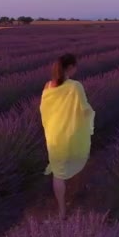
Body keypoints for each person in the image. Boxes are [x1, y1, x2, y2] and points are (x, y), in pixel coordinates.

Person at [40, 53, 95, 220]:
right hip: (71, 133)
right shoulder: (75, 86)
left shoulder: (48, 86)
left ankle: (62, 210)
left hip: (55, 135)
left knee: (58, 172)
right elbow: (84, 108)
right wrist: (90, 116)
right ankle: (76, 190)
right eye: (75, 66)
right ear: (70, 68)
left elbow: (43, 110)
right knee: (76, 158)